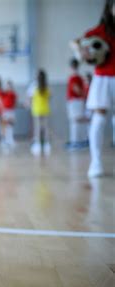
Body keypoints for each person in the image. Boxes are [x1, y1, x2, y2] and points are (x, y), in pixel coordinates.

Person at [72, 0, 115, 177]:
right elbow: (76, 44)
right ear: (110, 8)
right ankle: (96, 162)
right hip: (103, 78)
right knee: (99, 117)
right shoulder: (98, 32)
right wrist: (80, 51)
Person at [65, 58, 88, 150]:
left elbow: (76, 89)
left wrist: (83, 96)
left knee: (76, 120)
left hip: (76, 101)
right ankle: (76, 140)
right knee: (75, 121)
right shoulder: (77, 77)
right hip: (75, 101)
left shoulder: (75, 77)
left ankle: (77, 141)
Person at [27, 70, 52, 156]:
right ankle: (46, 144)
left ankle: (37, 144)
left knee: (37, 127)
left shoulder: (33, 86)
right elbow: (49, 97)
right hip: (45, 109)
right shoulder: (47, 86)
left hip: (36, 109)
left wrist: (30, 106)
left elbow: (30, 99)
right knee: (45, 128)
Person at [1, 80, 17, 148]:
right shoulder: (3, 93)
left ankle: (10, 139)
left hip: (11, 111)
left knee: (10, 126)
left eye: (9, 86)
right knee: (5, 126)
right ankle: (4, 140)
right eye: (7, 86)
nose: (8, 87)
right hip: (5, 111)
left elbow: (14, 102)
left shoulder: (13, 94)